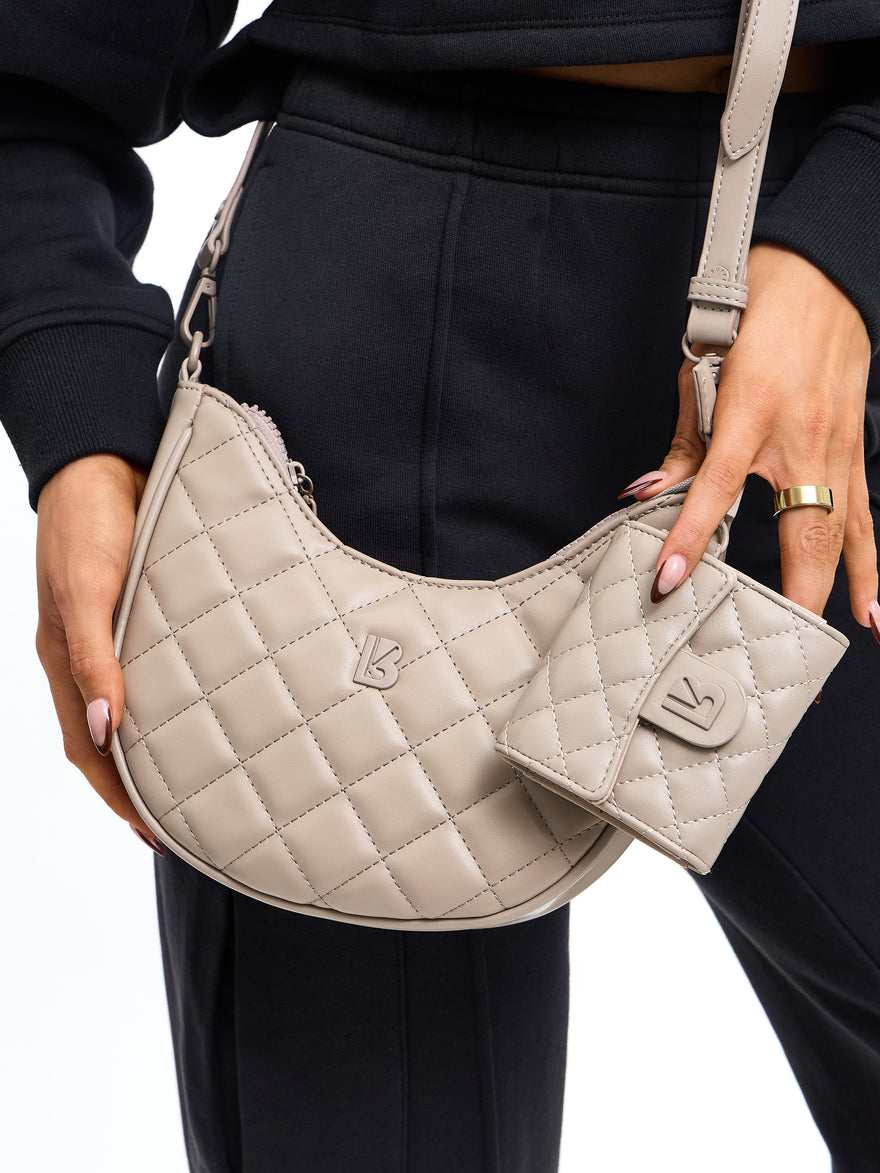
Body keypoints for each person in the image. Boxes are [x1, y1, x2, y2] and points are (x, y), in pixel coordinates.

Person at [1, 2, 879, 1170]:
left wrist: (853, 236)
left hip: (823, 348)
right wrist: (75, 413)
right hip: (375, 343)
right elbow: (37, 77)